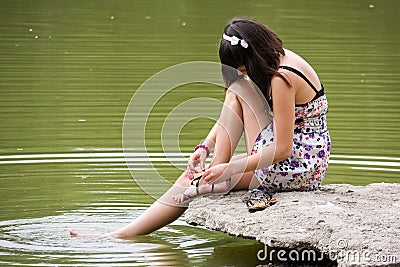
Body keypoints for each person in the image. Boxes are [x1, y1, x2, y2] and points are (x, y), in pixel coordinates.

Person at [70, 17, 330, 238]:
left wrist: (229, 168)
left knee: (236, 92)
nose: (246, 74)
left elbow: (283, 149)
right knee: (236, 90)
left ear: (253, 57)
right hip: (294, 155)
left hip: (296, 167)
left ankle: (213, 180)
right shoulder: (277, 59)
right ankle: (125, 232)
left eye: (244, 69)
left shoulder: (281, 78)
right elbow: (236, 109)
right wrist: (205, 146)